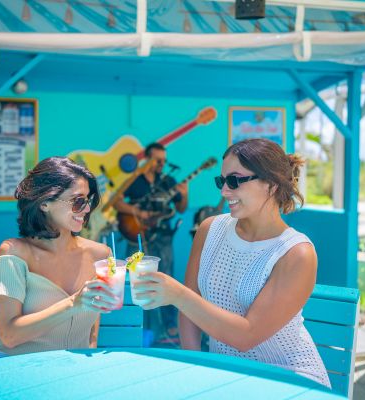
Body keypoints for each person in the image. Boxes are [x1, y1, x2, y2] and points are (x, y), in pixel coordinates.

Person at [132, 138, 331, 387]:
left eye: (234, 181)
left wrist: (176, 294)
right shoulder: (209, 229)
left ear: (270, 184)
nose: (224, 191)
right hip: (226, 377)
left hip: (288, 379)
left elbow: (246, 336)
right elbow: (190, 312)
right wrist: (195, 371)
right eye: (222, 181)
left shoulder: (296, 253)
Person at [0, 157, 121, 358]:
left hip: (70, 374)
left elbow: (92, 332)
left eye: (88, 200)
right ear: (44, 203)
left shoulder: (101, 255)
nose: (86, 209)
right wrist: (72, 303)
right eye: (78, 201)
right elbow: (9, 336)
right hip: (14, 370)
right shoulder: (13, 253)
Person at [113, 142, 188, 342]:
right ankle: (135, 326)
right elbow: (117, 201)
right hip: (137, 236)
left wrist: (185, 193)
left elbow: (181, 208)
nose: (161, 164)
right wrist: (138, 212)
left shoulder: (168, 181)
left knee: (166, 279)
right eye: (157, 160)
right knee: (135, 281)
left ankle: (169, 327)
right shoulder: (135, 181)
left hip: (163, 238)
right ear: (147, 159)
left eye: (164, 160)